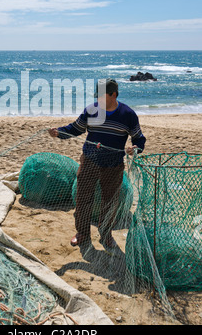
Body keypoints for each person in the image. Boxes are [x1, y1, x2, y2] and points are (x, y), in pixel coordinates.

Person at [49, 78, 146, 253]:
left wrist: (135, 148)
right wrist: (59, 132)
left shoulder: (128, 115)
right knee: (83, 197)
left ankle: (106, 234)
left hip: (114, 165)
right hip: (89, 161)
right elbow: (75, 128)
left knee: (110, 202)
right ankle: (83, 233)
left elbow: (139, 138)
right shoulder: (91, 110)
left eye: (102, 96)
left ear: (113, 95)